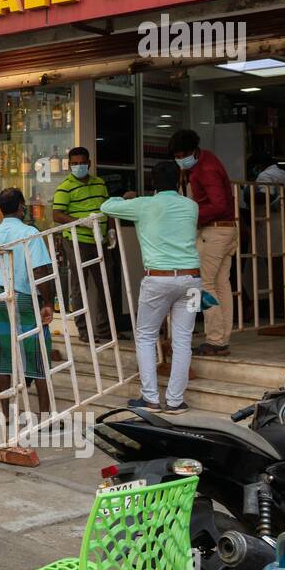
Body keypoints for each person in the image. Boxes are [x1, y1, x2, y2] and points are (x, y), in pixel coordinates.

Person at [101, 160, 200, 414]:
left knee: (145, 336)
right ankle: (176, 401)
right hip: (191, 280)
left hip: (158, 279)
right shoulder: (191, 206)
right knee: (183, 340)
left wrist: (127, 198)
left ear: (152, 183)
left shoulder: (144, 204)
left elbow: (107, 206)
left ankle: (151, 398)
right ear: (179, 180)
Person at [0, 188, 56, 419]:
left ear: (0, 209)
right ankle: (45, 416)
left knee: (3, 355)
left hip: (3, 298)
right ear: (22, 207)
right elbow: (40, 269)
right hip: (26, 297)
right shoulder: (29, 232)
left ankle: (5, 416)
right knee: (38, 354)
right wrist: (48, 302)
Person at [170, 129, 236, 356]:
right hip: (226, 230)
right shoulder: (206, 160)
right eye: (177, 155)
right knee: (221, 285)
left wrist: (190, 216)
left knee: (204, 285)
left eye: (183, 154)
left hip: (213, 231)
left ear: (194, 150)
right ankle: (221, 339)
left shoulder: (205, 169)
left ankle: (215, 339)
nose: (180, 159)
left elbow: (217, 205)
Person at [51, 147, 114, 344]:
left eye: (82, 163)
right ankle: (83, 329)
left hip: (100, 239)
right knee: (79, 285)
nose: (78, 166)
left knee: (106, 283)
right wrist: (80, 221)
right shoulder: (65, 187)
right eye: (74, 164)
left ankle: (105, 330)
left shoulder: (99, 183)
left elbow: (108, 208)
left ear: (89, 163)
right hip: (77, 240)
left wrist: (110, 230)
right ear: (69, 165)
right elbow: (57, 214)